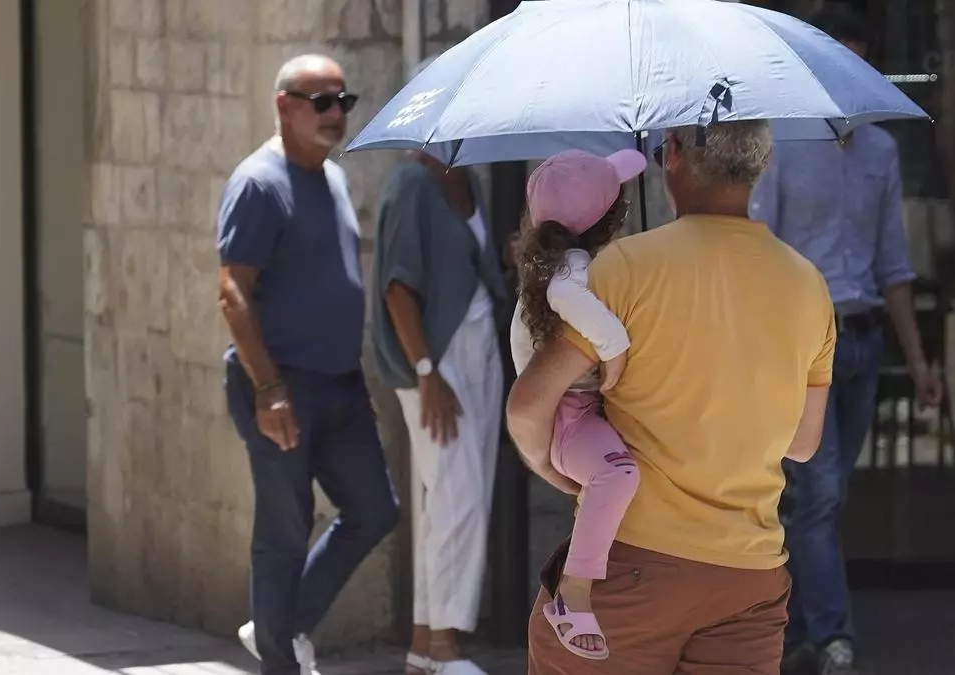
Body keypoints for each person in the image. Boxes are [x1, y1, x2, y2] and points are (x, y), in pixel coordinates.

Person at [507, 119, 837, 675]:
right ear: (763, 163)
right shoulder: (809, 285)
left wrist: (553, 467)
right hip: (749, 579)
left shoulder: (623, 268)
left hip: (635, 565)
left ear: (674, 153)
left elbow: (526, 406)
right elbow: (802, 443)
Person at [749, 8, 944, 675]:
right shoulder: (779, 147)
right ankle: (835, 638)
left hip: (863, 341)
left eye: (857, 66)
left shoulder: (881, 153)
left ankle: (796, 630)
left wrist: (918, 362)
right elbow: (760, 253)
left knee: (821, 496)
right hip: (802, 343)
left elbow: (894, 266)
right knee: (821, 492)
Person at [217, 54, 401, 675]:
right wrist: (268, 387)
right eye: (320, 102)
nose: (334, 114)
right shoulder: (258, 183)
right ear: (284, 106)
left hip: (340, 385)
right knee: (285, 529)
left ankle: (282, 626)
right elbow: (232, 292)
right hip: (281, 383)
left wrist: (353, 373)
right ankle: (279, 659)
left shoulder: (333, 178)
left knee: (375, 509)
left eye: (343, 102)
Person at [370, 60, 510, 675]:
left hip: (479, 351)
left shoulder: (466, 178)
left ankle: (426, 646)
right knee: (457, 498)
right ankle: (445, 646)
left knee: (457, 499)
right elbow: (397, 288)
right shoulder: (411, 183)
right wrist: (427, 372)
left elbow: (470, 271)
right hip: (435, 359)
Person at [510, 149, 648, 660]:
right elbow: (567, 299)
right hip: (570, 417)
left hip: (577, 412)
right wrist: (615, 347)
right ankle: (574, 592)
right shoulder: (572, 269)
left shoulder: (559, 263)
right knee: (617, 474)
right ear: (611, 220)